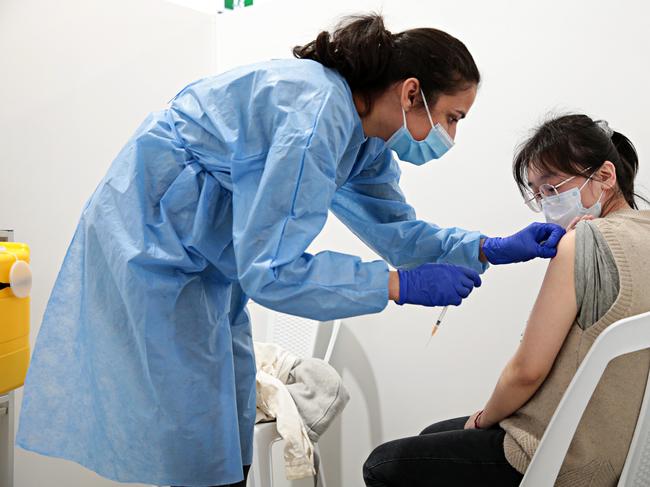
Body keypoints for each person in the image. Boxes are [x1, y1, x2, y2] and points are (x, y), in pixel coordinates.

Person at [17, 14, 563, 487]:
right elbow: (273, 272)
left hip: (207, 265)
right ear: (411, 91)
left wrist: (488, 248)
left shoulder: (363, 139)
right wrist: (398, 285)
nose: (449, 136)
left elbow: (399, 233)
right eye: (451, 118)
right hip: (153, 246)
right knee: (194, 442)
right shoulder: (315, 116)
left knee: (227, 425)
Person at [363, 114, 650, 487]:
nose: (548, 204)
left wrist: (482, 420)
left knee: (383, 465)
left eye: (553, 188)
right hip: (625, 454)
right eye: (539, 195)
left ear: (606, 176)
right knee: (433, 434)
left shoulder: (581, 241)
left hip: (558, 456)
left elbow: (526, 371)